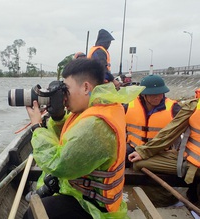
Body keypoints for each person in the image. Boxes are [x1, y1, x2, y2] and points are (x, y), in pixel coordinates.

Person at [24, 58, 143, 219]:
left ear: (86, 87)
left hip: (93, 206)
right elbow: (69, 139)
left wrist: (37, 127)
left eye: (66, 90)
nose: (64, 97)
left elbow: (58, 164)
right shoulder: (99, 106)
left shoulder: (97, 124)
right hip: (83, 192)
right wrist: (58, 117)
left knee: (34, 213)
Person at [128, 98, 200, 203]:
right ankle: (167, 199)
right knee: (136, 162)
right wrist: (144, 152)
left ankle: (173, 199)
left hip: (193, 165)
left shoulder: (176, 107)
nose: (156, 97)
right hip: (187, 158)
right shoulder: (194, 105)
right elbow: (170, 132)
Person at [124, 74, 181, 167]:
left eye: (160, 93)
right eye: (152, 95)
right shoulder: (129, 106)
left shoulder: (173, 108)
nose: (157, 97)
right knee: (117, 157)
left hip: (159, 151)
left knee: (139, 165)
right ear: (143, 95)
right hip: (133, 147)